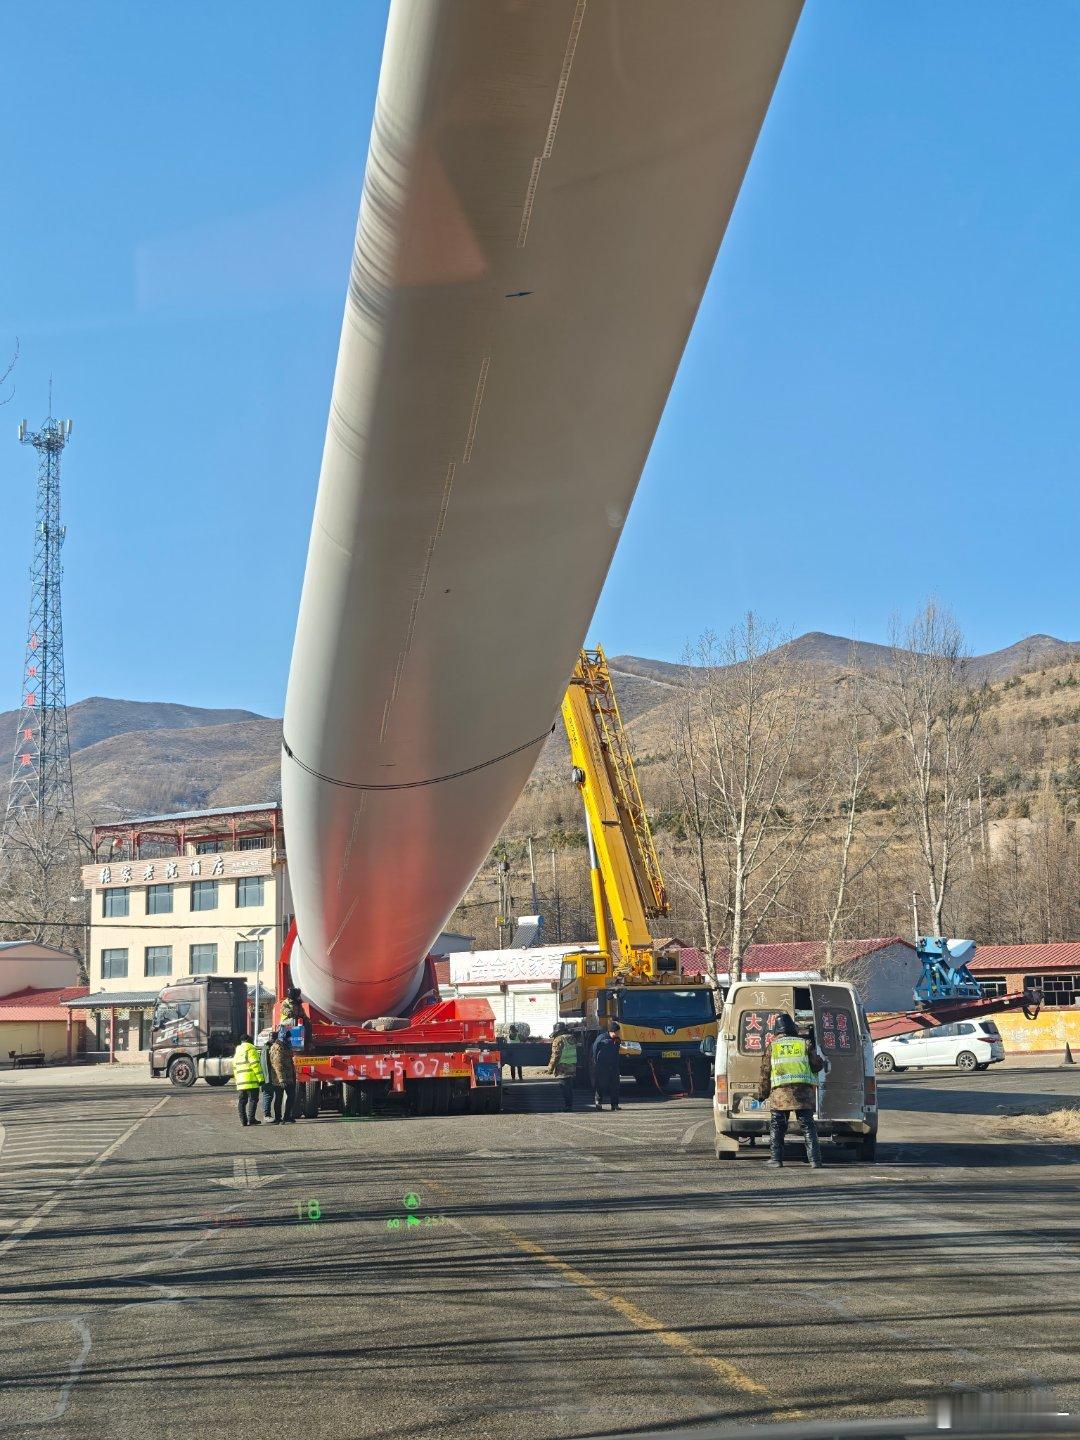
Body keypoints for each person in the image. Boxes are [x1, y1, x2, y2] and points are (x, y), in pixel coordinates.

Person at [759, 1013, 824, 1169]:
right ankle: (815, 1160)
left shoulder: (772, 1046)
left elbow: (765, 1072)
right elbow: (817, 1066)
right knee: (808, 1126)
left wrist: (762, 1094)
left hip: (780, 1095)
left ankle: (776, 1159)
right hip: (803, 1093)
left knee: (777, 1126)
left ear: (776, 1030)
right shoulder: (805, 1044)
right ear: (792, 1028)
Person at [265, 1029, 297, 1123]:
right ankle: (278, 1118)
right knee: (279, 1097)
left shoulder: (286, 1045)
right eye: (287, 1036)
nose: (289, 1038)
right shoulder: (277, 1047)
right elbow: (277, 1064)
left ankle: (287, 1116)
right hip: (279, 1079)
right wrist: (281, 1080)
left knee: (291, 1096)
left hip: (289, 1077)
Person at [232, 1032, 264, 1127]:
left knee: (242, 1101)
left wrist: (237, 1080)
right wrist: (261, 1078)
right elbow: (255, 1065)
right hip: (251, 1081)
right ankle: (251, 1119)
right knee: (253, 1099)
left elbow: (234, 1067)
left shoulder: (237, 1051)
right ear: (249, 1040)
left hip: (241, 1082)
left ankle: (243, 1120)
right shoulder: (251, 1049)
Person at [591, 1019, 622, 1111]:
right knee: (601, 1084)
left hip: (614, 1066)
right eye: (617, 1032)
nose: (618, 1033)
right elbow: (594, 1050)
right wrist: (595, 1063)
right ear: (612, 1031)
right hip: (602, 1065)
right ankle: (598, 1102)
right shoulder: (601, 1038)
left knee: (615, 1085)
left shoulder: (617, 1040)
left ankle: (615, 1105)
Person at [546, 1023, 578, 1110]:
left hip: (562, 1067)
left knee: (564, 1087)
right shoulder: (572, 1038)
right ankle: (569, 1105)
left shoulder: (558, 1040)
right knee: (569, 1087)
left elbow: (555, 1056)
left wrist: (550, 1069)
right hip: (572, 1066)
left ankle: (567, 1106)